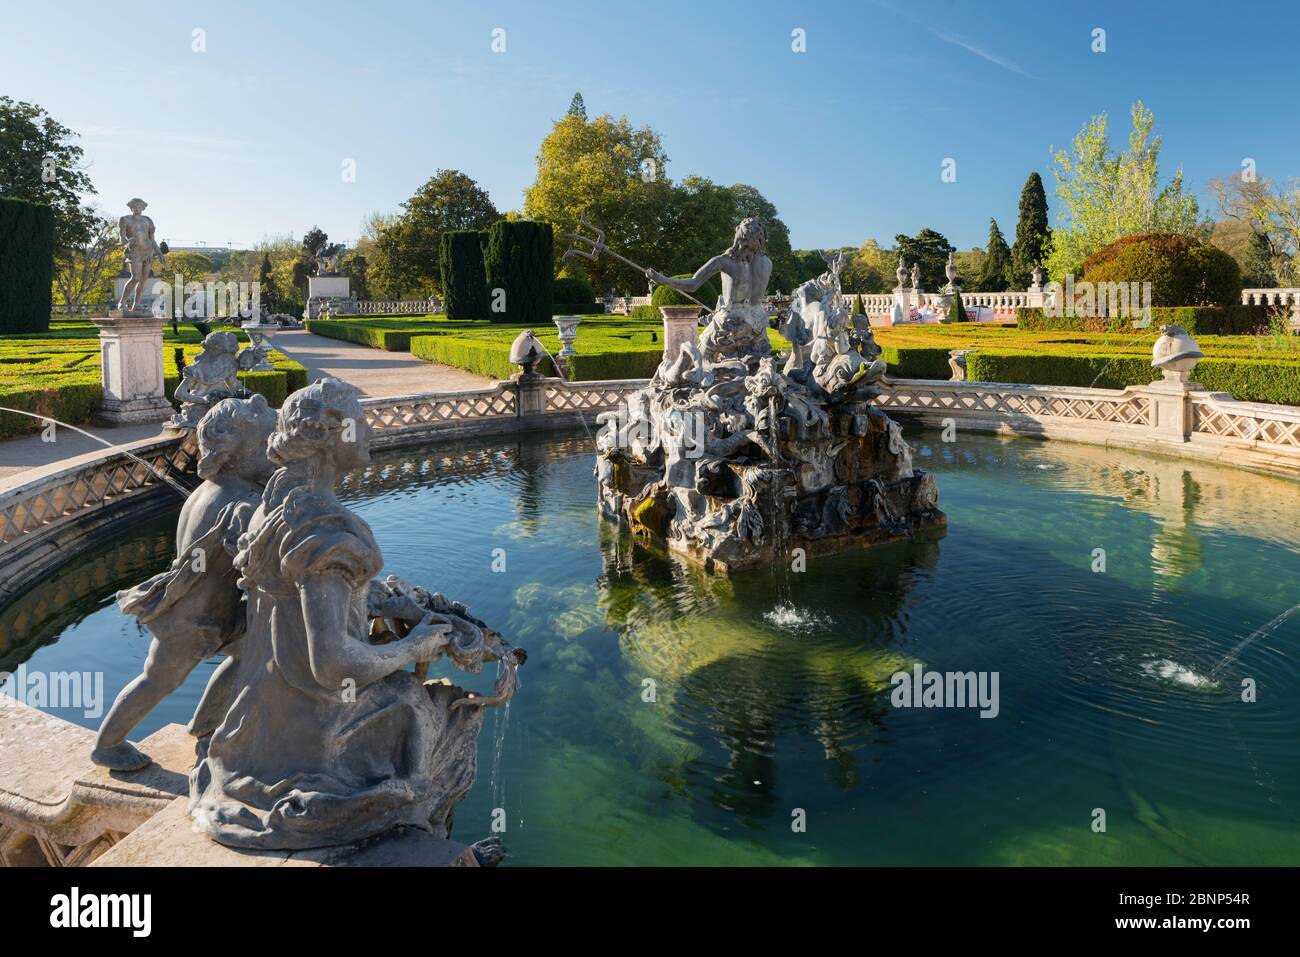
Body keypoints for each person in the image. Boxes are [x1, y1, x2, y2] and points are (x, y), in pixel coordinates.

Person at [92, 394, 277, 771]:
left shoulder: (207, 491)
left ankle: (206, 725)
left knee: (249, 652)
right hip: (193, 622)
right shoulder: (241, 503)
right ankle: (107, 744)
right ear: (235, 453)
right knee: (158, 681)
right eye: (266, 449)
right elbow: (257, 561)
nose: (274, 457)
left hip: (211, 613)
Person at [648, 217, 773, 363]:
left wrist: (663, 280)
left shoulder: (724, 261)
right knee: (758, 367)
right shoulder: (767, 263)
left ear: (739, 235)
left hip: (732, 321)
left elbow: (693, 284)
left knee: (699, 360)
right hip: (758, 322)